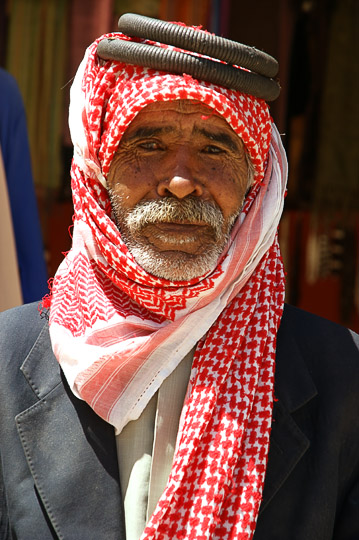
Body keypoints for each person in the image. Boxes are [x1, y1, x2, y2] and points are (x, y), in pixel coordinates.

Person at [0, 14, 358, 540]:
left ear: (256, 181)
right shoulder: (6, 363)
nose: (182, 181)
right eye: (149, 145)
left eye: (215, 149)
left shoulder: (344, 379)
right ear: (100, 167)